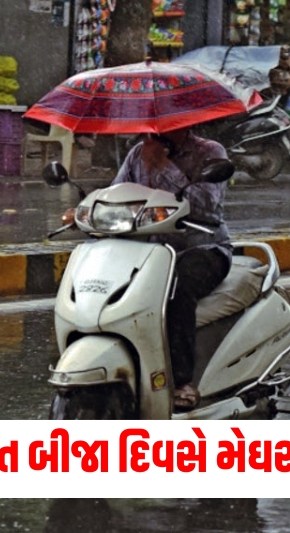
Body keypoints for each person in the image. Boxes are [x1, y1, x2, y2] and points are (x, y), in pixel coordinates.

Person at [68, 128, 232, 410]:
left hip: (200, 250)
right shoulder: (136, 154)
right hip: (142, 251)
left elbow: (207, 206)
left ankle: (181, 381)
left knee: (175, 289)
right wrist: (88, 209)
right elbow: (116, 193)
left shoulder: (210, 153)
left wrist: (163, 167)